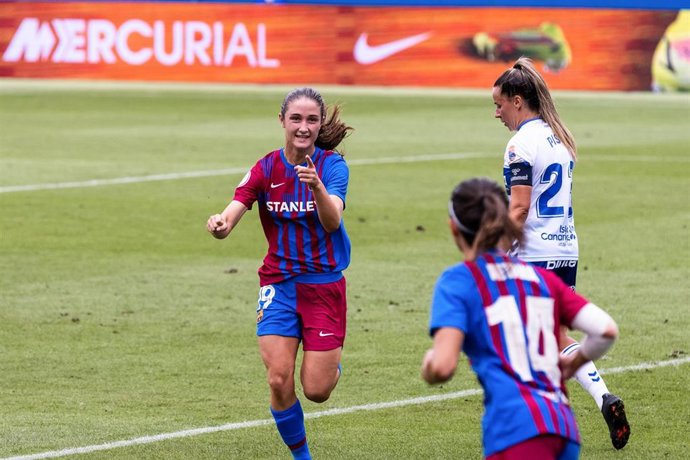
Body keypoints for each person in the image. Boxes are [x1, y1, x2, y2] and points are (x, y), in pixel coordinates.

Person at [421, 177, 620, 459]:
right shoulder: (541, 278)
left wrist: (429, 365)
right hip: (563, 429)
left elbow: (442, 367)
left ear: (453, 227)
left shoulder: (459, 281)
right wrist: (572, 363)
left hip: (516, 432)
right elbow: (606, 330)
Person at [206, 87, 353, 460]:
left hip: (323, 286)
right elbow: (235, 207)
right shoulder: (266, 167)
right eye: (296, 119)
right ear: (282, 121)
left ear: (320, 125)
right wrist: (222, 223)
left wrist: (317, 186)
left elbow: (333, 221)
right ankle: (302, 457)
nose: (303, 127)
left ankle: (331, 367)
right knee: (277, 377)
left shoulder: (333, 166)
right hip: (279, 283)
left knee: (317, 390)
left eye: (312, 120)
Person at [492, 57, 629, 449]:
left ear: (518, 101)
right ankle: (603, 397)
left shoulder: (520, 143)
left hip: (531, 253)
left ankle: (539, 423)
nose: (496, 113)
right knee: (554, 333)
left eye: (499, 104)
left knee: (519, 341)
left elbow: (518, 207)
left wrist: (497, 253)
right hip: (564, 248)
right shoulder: (559, 137)